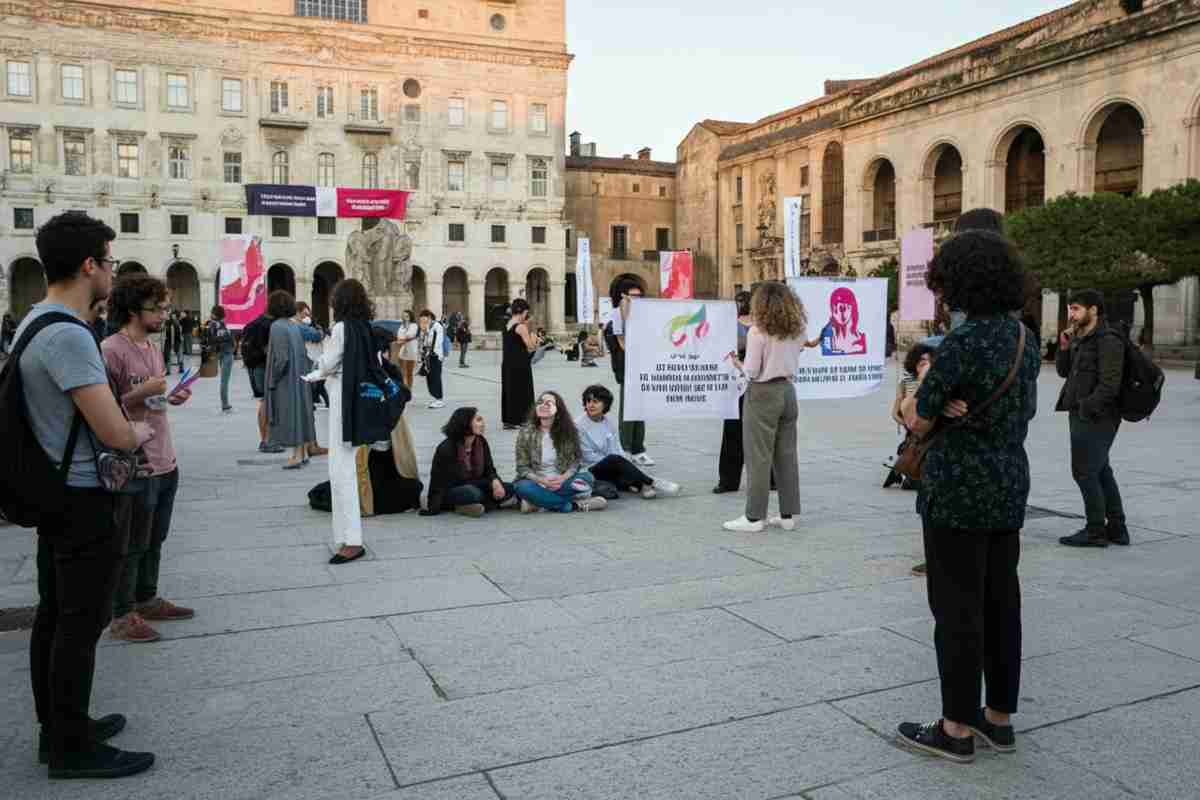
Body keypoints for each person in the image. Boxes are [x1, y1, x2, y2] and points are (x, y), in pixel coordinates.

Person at [16, 212, 156, 778]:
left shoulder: (33, 321)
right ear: (88, 266)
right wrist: (137, 430)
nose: (111, 271)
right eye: (109, 260)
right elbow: (114, 431)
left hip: (55, 490)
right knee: (79, 621)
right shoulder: (70, 335)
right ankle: (71, 747)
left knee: (55, 615)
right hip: (82, 496)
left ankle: (60, 726)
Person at [895, 229, 1039, 765]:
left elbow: (915, 417)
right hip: (1008, 481)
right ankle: (998, 719)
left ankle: (955, 726)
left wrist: (933, 395)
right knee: (1003, 600)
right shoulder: (1024, 339)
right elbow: (1021, 411)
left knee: (956, 607)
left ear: (956, 283)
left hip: (957, 487)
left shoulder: (959, 344)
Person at [102, 275, 194, 645]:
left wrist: (167, 398)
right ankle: (122, 614)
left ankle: (147, 596)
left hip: (164, 457)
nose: (163, 313)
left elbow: (147, 402)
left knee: (156, 536)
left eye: (165, 306)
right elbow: (105, 407)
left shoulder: (155, 349)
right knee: (131, 541)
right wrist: (143, 391)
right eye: (157, 307)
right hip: (134, 462)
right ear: (133, 309)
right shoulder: (111, 350)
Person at [723, 282, 805, 533]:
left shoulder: (757, 332)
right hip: (788, 392)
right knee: (787, 455)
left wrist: (736, 362)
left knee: (758, 456)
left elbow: (751, 371)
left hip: (763, 393)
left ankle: (754, 517)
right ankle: (788, 515)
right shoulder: (797, 329)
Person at [310, 279, 380, 565]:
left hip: (343, 405)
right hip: (359, 405)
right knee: (346, 468)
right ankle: (346, 537)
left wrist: (319, 365)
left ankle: (352, 540)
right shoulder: (365, 328)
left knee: (341, 472)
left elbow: (326, 364)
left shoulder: (340, 329)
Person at [1055, 289, 1129, 548]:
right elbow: (1064, 372)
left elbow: (1110, 385)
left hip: (1098, 415)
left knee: (1085, 472)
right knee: (1100, 469)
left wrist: (1086, 408)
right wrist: (1064, 347)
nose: (1071, 314)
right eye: (1070, 309)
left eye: (1076, 309)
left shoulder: (1108, 340)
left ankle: (1096, 530)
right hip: (1080, 412)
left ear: (1093, 310)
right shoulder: (1079, 338)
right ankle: (1117, 528)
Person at [575, 384, 680, 499]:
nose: (591, 405)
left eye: (595, 401)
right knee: (615, 461)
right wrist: (615, 464)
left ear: (605, 404)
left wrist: (624, 464)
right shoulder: (578, 425)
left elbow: (617, 448)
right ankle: (651, 482)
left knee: (621, 463)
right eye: (588, 401)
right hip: (589, 468)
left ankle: (642, 485)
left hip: (611, 465)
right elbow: (587, 456)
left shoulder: (609, 422)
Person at [513, 390, 607, 513]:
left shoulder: (568, 431)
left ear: (557, 411)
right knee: (521, 487)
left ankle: (538, 503)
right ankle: (573, 506)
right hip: (536, 482)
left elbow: (576, 462)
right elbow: (522, 467)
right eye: (540, 402)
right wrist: (542, 481)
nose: (543, 405)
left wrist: (562, 478)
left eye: (549, 403)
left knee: (587, 478)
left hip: (561, 483)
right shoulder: (526, 432)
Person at [422, 407, 516, 517]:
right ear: (465, 423)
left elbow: (489, 468)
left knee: (509, 488)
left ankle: (469, 507)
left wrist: (495, 481)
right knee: (473, 493)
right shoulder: (447, 448)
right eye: (478, 420)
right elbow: (450, 482)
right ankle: (476, 505)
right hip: (452, 490)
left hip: (478, 484)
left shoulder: (481, 442)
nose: (483, 424)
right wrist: (487, 484)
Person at [264, 291, 317, 470]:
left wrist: (273, 379)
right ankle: (301, 453)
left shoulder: (277, 326)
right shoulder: (293, 325)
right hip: (299, 376)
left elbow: (281, 359)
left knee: (290, 414)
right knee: (299, 413)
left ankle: (296, 456)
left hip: (287, 380)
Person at [607, 278, 654, 466]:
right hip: (627, 363)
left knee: (640, 405)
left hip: (641, 361)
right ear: (623, 295)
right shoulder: (617, 313)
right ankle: (625, 448)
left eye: (639, 295)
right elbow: (621, 342)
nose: (638, 299)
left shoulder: (642, 313)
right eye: (633, 296)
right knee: (628, 404)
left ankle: (638, 448)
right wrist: (626, 308)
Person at [715, 290, 754, 494]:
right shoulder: (729, 325)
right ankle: (728, 480)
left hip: (755, 380)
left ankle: (769, 478)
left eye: (742, 301)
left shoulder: (762, 326)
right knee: (732, 431)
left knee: (760, 433)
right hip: (735, 383)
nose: (740, 304)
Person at [240, 310, 281, 451]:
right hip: (263, 366)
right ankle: (267, 440)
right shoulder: (269, 326)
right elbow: (268, 349)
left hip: (251, 366)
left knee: (263, 401)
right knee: (267, 401)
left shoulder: (251, 324)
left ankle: (264, 439)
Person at [293, 302, 328, 457]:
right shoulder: (298, 326)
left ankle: (309, 445)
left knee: (307, 409)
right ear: (300, 312)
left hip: (302, 370)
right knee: (306, 410)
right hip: (305, 370)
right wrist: (319, 329)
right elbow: (317, 335)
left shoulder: (290, 325)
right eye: (306, 314)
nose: (308, 317)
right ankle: (308, 447)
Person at [502, 298, 537, 429]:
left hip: (508, 362)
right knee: (524, 391)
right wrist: (533, 334)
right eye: (526, 313)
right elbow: (531, 347)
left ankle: (509, 420)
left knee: (510, 390)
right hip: (520, 362)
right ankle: (523, 419)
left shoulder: (507, 324)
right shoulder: (521, 327)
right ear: (523, 312)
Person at [206, 305, 236, 415]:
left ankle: (225, 404)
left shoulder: (212, 324)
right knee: (225, 381)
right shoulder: (220, 325)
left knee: (224, 381)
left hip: (220, 353)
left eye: (212, 312)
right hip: (227, 353)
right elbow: (228, 339)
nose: (210, 314)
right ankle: (225, 405)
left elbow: (211, 340)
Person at [417, 309, 446, 409]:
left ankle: (439, 399)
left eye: (424, 320)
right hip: (427, 356)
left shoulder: (437, 326)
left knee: (436, 377)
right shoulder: (425, 327)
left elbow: (438, 341)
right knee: (429, 378)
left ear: (429, 317)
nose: (422, 323)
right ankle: (435, 398)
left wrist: (427, 330)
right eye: (421, 321)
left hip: (435, 355)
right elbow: (422, 341)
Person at [396, 310, 420, 387]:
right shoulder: (401, 326)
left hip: (411, 351)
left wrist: (404, 338)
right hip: (402, 351)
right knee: (401, 372)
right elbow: (399, 336)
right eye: (403, 316)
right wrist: (403, 338)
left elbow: (409, 335)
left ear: (410, 317)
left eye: (407, 316)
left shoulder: (414, 325)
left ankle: (409, 389)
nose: (405, 318)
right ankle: (403, 388)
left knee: (409, 372)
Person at [161, 310, 181, 374]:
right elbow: (163, 331)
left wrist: (173, 343)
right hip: (168, 341)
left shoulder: (175, 323)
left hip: (175, 340)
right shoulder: (166, 323)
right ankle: (168, 370)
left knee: (178, 353)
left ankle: (181, 368)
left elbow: (175, 333)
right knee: (167, 355)